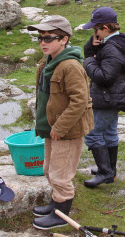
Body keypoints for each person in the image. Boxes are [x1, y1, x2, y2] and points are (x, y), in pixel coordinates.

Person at [28, 15, 94, 230]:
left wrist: (60, 126)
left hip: (67, 130)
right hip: (52, 129)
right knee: (48, 169)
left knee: (60, 173)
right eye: (40, 38)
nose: (43, 43)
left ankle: (61, 215)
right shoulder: (48, 62)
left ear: (64, 39)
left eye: (49, 38)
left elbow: (80, 101)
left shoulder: (70, 66)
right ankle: (55, 204)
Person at [81, 7, 125, 188]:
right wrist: (91, 47)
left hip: (107, 97)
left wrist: (88, 61)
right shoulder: (114, 43)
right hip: (112, 96)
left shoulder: (112, 49)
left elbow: (104, 77)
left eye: (95, 29)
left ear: (105, 27)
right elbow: (96, 58)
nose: (94, 32)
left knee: (92, 133)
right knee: (109, 133)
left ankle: (105, 172)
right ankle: (110, 171)